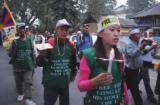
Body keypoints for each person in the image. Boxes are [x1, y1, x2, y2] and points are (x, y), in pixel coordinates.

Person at [78, 16, 127, 105]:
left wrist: (127, 99)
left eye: (118, 30)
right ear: (100, 34)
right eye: (112, 30)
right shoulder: (89, 55)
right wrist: (95, 81)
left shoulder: (120, 54)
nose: (116, 34)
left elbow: (122, 81)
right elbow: (81, 86)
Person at [36, 19, 77, 105]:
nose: (64, 32)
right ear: (56, 30)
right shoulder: (49, 44)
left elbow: (73, 62)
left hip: (64, 84)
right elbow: (39, 63)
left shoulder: (71, 45)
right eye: (61, 29)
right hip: (51, 84)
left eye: (66, 30)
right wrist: (41, 56)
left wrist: (73, 74)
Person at [8, 24, 36, 105]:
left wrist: (34, 63)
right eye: (20, 29)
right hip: (17, 67)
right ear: (17, 31)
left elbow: (33, 53)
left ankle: (28, 99)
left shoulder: (30, 40)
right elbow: (9, 54)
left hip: (28, 67)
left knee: (28, 82)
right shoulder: (14, 41)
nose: (22, 30)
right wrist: (12, 47)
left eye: (23, 28)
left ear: (25, 30)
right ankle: (20, 93)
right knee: (18, 83)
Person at [124, 28, 145, 105]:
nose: (139, 35)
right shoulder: (129, 44)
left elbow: (140, 54)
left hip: (136, 70)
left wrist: (149, 47)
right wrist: (141, 46)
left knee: (128, 86)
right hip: (130, 70)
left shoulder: (137, 43)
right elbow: (132, 54)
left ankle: (120, 94)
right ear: (131, 36)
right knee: (135, 90)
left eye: (139, 33)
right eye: (137, 34)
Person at [137, 28, 157, 104]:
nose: (150, 34)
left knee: (138, 78)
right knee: (146, 80)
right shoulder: (143, 41)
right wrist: (152, 47)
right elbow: (142, 52)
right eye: (149, 33)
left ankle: (133, 88)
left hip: (148, 62)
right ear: (145, 33)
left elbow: (153, 53)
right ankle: (150, 96)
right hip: (143, 63)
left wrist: (154, 48)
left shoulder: (151, 41)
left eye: (151, 33)